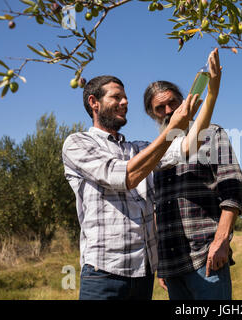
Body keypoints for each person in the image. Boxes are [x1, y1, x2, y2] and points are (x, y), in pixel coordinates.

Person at [61, 49, 222, 300]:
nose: (125, 102)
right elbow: (126, 177)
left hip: (142, 273)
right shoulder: (77, 144)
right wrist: (171, 128)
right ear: (94, 102)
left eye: (125, 97)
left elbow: (188, 146)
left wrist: (211, 92)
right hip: (104, 273)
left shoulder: (137, 148)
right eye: (117, 97)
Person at [143, 50, 242, 300]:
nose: (168, 110)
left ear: (185, 101)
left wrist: (221, 240)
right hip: (172, 264)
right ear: (152, 113)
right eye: (160, 108)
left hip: (206, 257)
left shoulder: (211, 134)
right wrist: (160, 265)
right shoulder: (156, 151)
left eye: (172, 103)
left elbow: (233, 190)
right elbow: (157, 207)